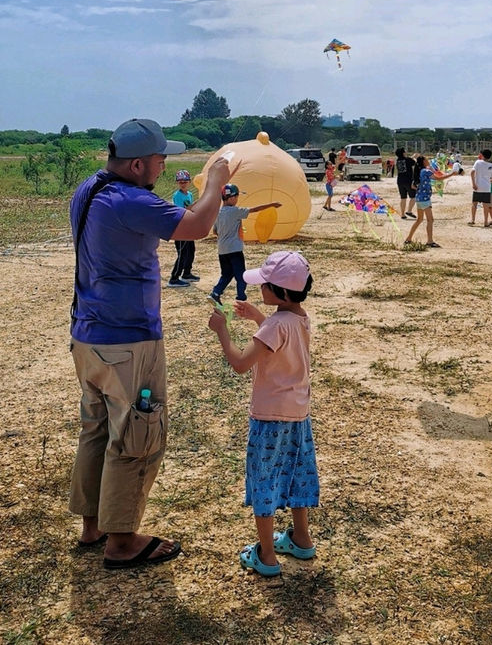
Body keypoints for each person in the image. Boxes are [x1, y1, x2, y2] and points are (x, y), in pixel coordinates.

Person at [69, 118, 231, 568]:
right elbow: (197, 225)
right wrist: (215, 179)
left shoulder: (90, 190)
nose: (164, 166)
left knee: (97, 429)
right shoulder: (129, 200)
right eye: (161, 159)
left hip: (88, 335)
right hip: (128, 340)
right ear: (138, 164)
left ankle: (92, 525)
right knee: (137, 433)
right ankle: (122, 541)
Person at [208, 251, 319, 578]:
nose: (259, 289)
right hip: (298, 415)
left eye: (265, 286)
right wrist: (259, 317)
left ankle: (267, 555)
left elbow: (241, 364)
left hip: (269, 419)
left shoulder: (274, 326)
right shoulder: (300, 317)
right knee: (298, 473)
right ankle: (301, 538)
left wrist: (222, 332)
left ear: (282, 293)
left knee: (265, 480)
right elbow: (280, 340)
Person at [210, 184, 281, 304]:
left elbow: (215, 231)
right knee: (241, 276)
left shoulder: (218, 213)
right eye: (237, 196)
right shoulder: (235, 211)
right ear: (231, 198)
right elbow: (254, 209)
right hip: (235, 250)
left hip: (222, 250)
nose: (237, 199)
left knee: (226, 274)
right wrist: (272, 204)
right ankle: (241, 298)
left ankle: (216, 293)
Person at [404, 156, 457, 248]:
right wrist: (452, 174)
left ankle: (408, 238)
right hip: (425, 199)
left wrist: (421, 188)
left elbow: (413, 186)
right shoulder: (426, 171)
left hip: (419, 198)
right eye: (426, 160)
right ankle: (429, 241)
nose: (428, 161)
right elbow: (438, 178)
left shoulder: (419, 171)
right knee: (430, 220)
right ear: (424, 161)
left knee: (419, 219)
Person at [167, 170, 200, 287]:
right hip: (180, 228)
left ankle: (187, 273)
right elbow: (182, 211)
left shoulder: (189, 194)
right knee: (182, 254)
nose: (183, 184)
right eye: (180, 182)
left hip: (189, 227)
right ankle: (174, 278)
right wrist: (196, 204)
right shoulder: (177, 196)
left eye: (185, 181)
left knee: (191, 251)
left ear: (189, 182)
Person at [469, 149, 492, 227]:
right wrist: (489, 182)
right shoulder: (491, 165)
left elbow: (472, 172)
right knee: (486, 206)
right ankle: (485, 221)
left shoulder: (478, 162)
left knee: (474, 204)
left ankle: (472, 220)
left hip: (477, 187)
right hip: (486, 188)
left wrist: (473, 183)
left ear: (482, 155)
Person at [395, 147, 416, 219]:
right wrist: (414, 157)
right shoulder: (408, 160)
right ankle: (409, 211)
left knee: (403, 198)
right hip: (408, 181)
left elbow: (407, 160)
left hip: (400, 181)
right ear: (403, 153)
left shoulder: (397, 160)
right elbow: (414, 163)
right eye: (405, 151)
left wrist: (412, 157)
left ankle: (402, 214)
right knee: (413, 197)